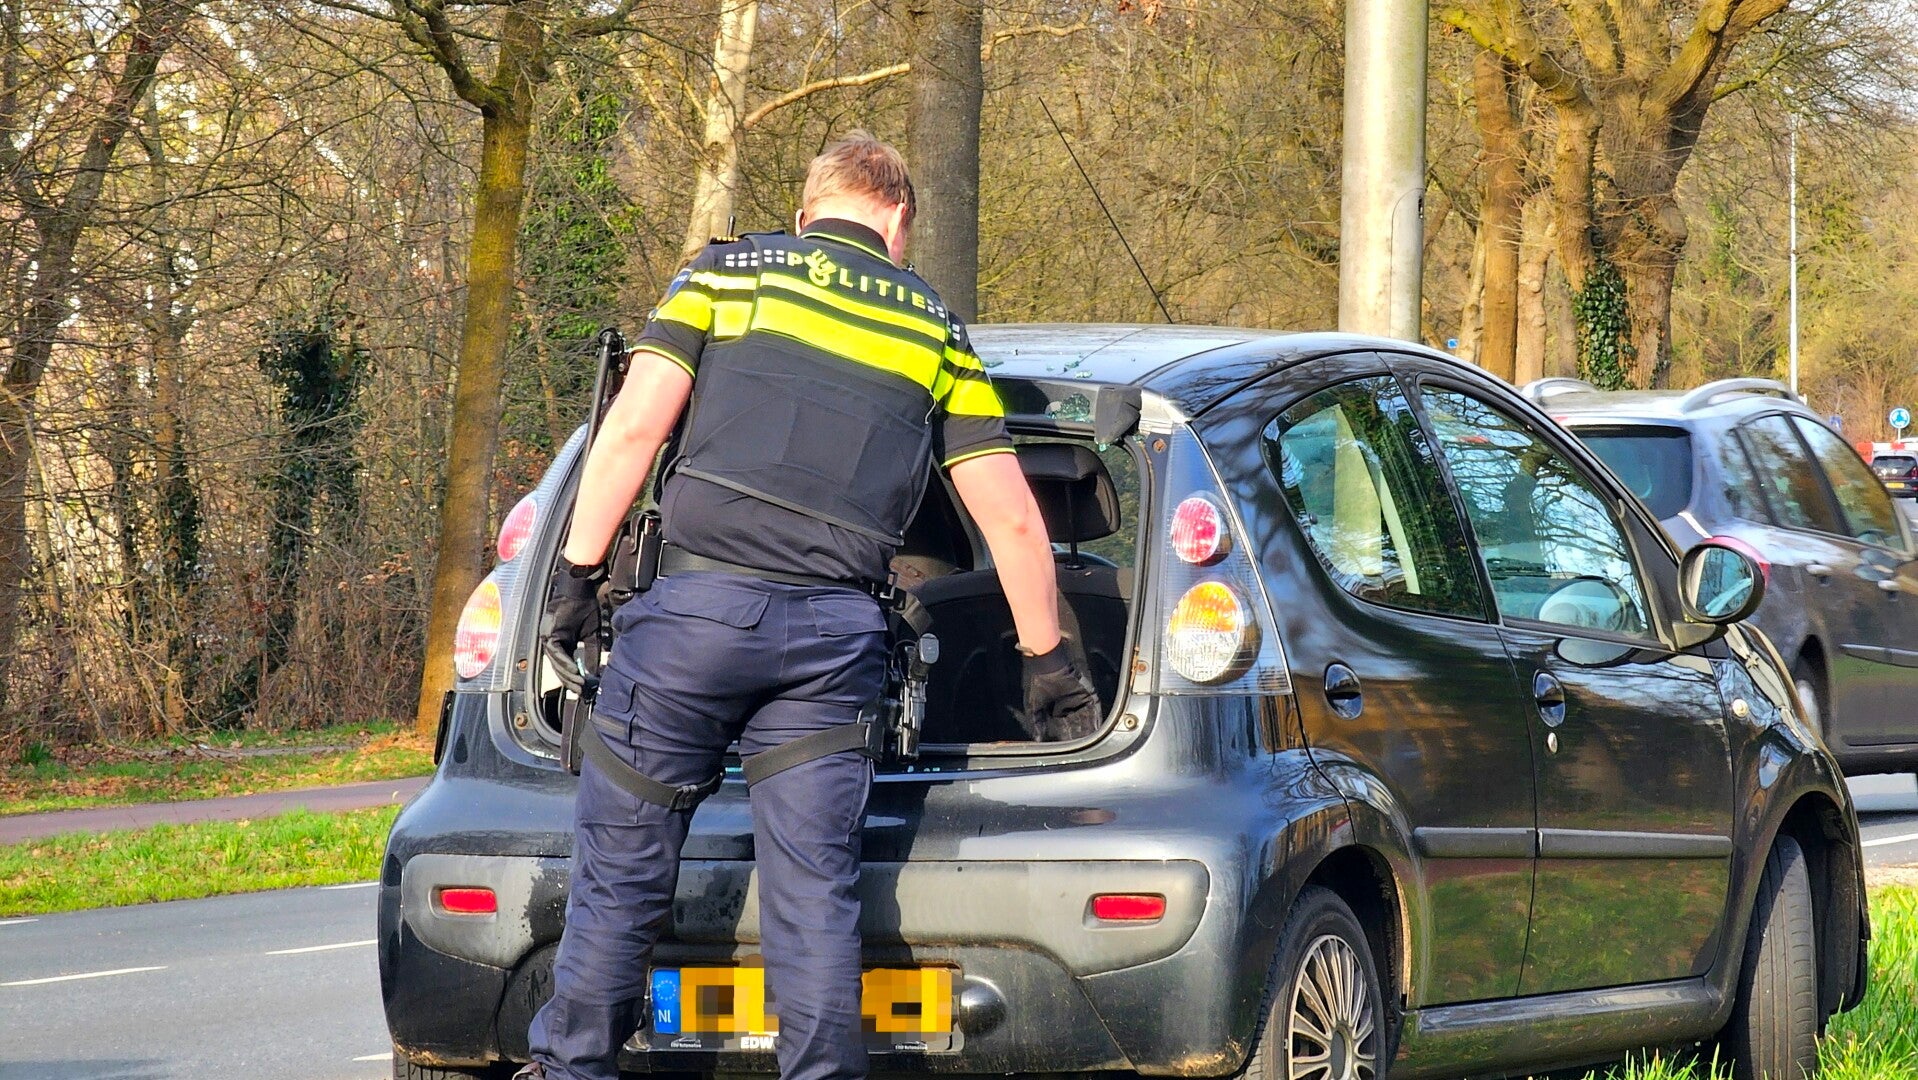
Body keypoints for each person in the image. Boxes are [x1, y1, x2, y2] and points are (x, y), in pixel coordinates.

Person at [520, 131, 1102, 1080]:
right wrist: (1050, 664)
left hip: (693, 623)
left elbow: (630, 432)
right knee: (813, 900)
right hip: (832, 644)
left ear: (805, 215)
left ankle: (574, 1068)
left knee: (620, 878)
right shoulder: (934, 330)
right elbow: (1011, 521)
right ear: (898, 221)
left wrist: (576, 579)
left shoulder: (725, 276)